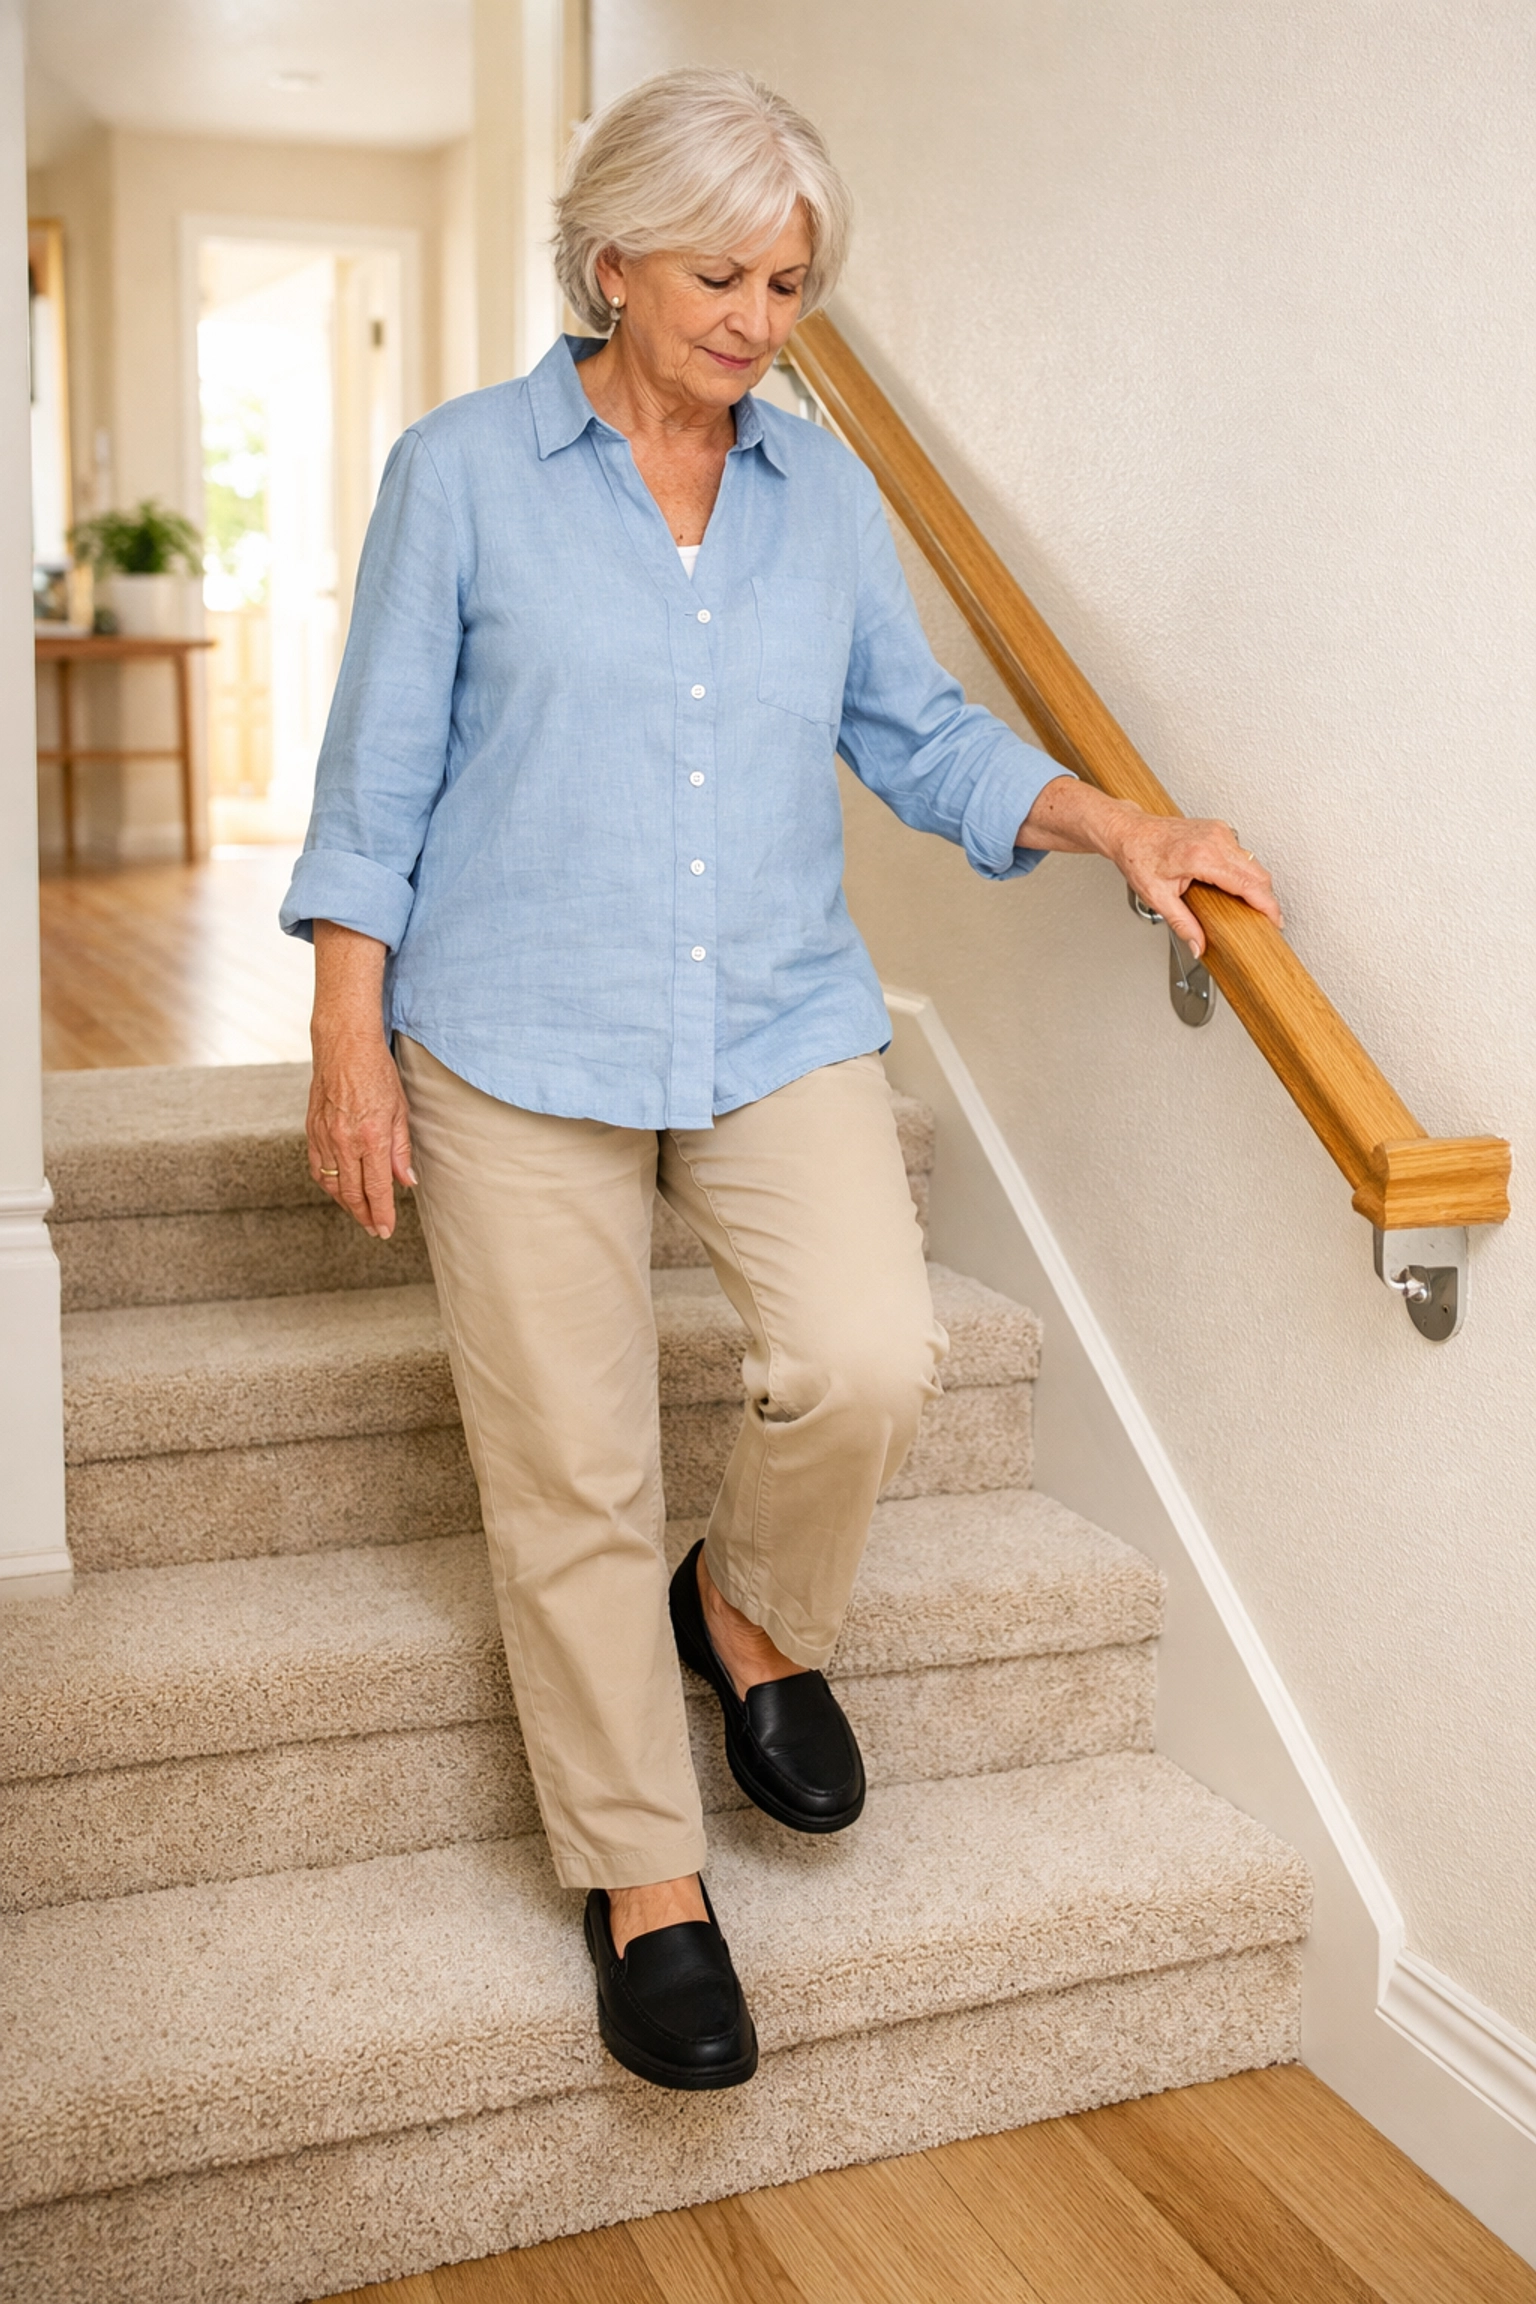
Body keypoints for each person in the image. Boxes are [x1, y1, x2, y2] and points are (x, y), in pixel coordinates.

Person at [280, 66, 1279, 2093]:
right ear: (616, 258)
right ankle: (646, 1880)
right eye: (723, 273)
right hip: (510, 1029)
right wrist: (347, 1041)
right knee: (569, 1463)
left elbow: (915, 735)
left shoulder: (819, 496)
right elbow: (375, 781)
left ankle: (742, 1611)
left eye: (794, 282)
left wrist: (1124, 828)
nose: (758, 319)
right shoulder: (463, 473)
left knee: (872, 1354)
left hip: (772, 1016)